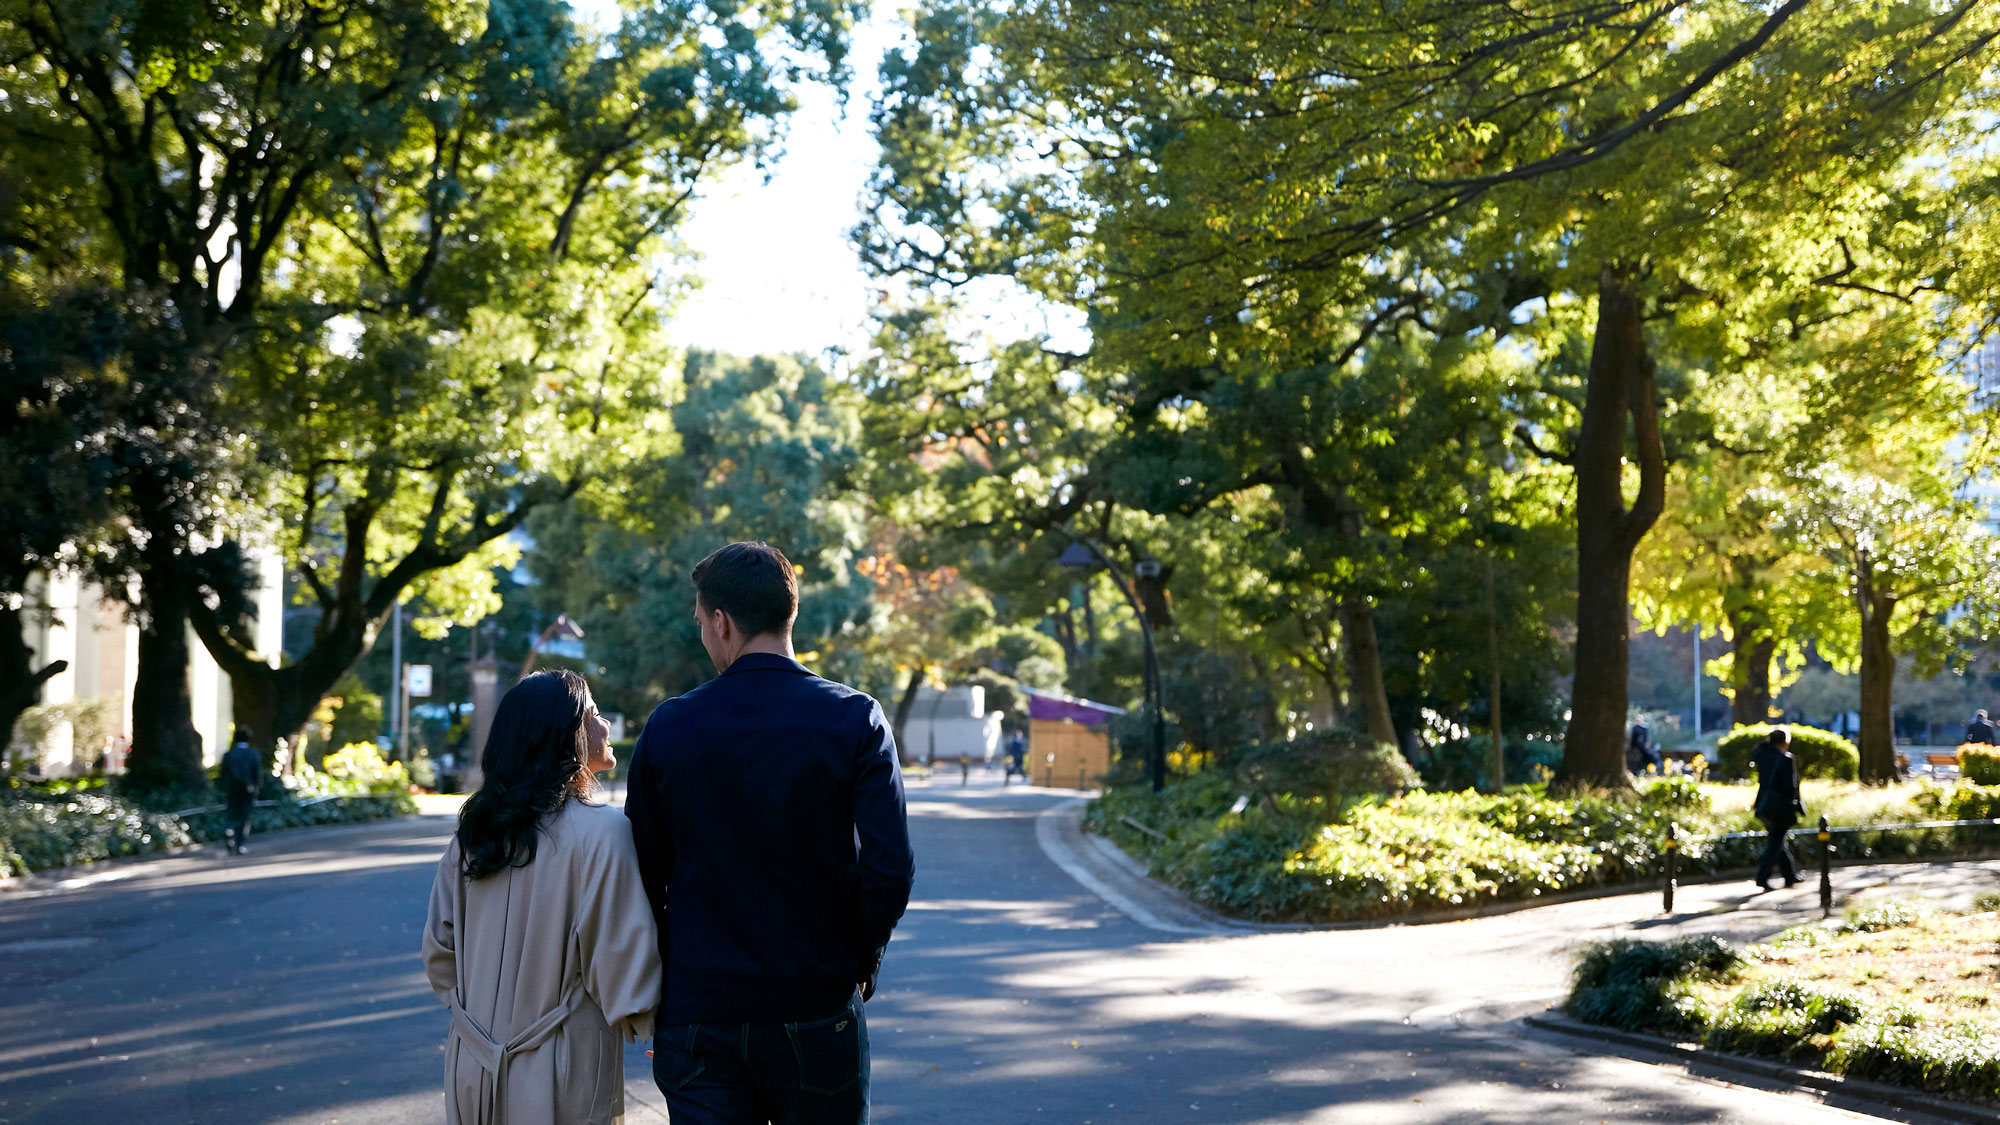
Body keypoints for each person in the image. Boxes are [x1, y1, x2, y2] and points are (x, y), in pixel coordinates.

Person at [626, 541, 915, 1125]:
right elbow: (890, 868)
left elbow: (641, 872)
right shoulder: (855, 717)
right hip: (815, 999)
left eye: (701, 623)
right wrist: (857, 957)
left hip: (700, 1006)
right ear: (789, 613)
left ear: (721, 622)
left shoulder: (670, 727)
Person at [421, 670, 661, 1125]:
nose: (605, 725)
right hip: (563, 1066)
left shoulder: (474, 837)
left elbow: (439, 954)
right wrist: (654, 1027)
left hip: (472, 1061)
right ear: (568, 734)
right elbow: (623, 969)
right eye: (593, 714)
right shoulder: (603, 833)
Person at [1751, 727, 1805, 890]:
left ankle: (1789, 875)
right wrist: (1796, 805)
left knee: (1778, 840)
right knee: (1775, 843)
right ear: (1784, 742)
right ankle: (1762, 877)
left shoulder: (1762, 755)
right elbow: (1790, 786)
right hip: (1780, 807)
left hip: (1764, 805)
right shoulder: (1786, 759)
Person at [219, 731, 263, 856]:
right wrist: (256, 787)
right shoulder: (253, 753)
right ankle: (239, 845)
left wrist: (223, 788)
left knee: (232, 813)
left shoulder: (228, 754)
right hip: (248, 789)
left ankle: (229, 830)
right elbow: (257, 773)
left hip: (232, 789)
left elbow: (222, 774)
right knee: (245, 816)